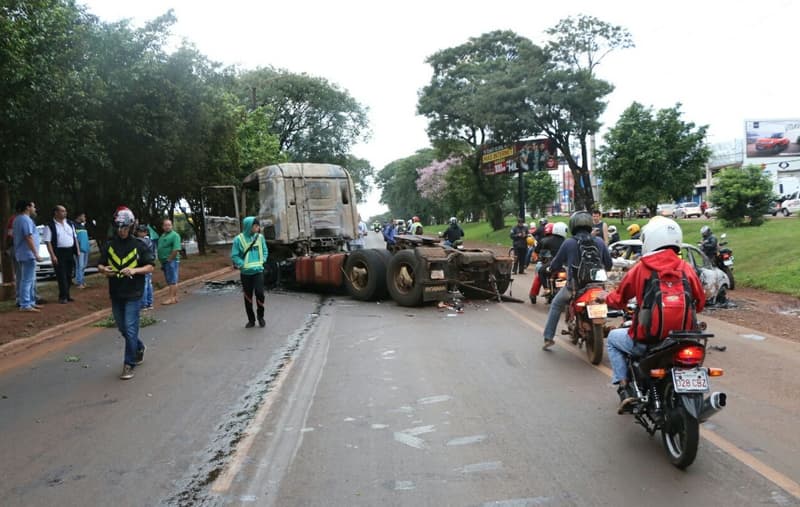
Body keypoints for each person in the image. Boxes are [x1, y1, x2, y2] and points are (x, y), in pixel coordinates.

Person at [598, 218, 706, 413]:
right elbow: (700, 303)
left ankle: (625, 389)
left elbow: (619, 298)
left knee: (613, 339)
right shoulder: (685, 268)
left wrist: (605, 298)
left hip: (649, 340)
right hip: (683, 339)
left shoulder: (642, 267)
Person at [541, 211, 612, 350]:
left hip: (574, 288)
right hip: (598, 288)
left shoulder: (569, 243)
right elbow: (608, 264)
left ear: (573, 225)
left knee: (556, 304)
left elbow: (555, 264)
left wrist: (551, 269)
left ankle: (548, 338)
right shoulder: (599, 242)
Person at [97, 208, 155, 380]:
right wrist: (103, 270)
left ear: (130, 226)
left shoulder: (139, 245)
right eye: (119, 227)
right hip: (116, 292)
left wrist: (135, 270)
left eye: (124, 227)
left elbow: (151, 266)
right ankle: (138, 347)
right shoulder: (109, 245)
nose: (121, 230)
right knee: (123, 328)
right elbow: (100, 264)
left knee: (130, 328)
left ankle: (128, 364)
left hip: (134, 293)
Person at [231, 216, 269, 328]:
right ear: (249, 227)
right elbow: (234, 255)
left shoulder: (260, 238)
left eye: (258, 226)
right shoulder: (239, 239)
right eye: (255, 226)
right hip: (246, 273)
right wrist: (241, 264)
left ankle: (261, 317)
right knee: (248, 297)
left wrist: (263, 261)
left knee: (260, 293)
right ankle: (251, 320)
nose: (258, 228)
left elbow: (265, 250)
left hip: (258, 271)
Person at [42, 204, 78, 304]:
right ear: (56, 213)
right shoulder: (50, 226)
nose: (64, 213)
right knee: (61, 274)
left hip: (69, 251)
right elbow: (48, 242)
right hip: (59, 252)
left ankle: (67, 294)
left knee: (69, 274)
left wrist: (77, 250)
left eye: (65, 211)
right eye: (62, 211)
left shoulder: (70, 223)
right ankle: (63, 296)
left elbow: (74, 237)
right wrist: (52, 255)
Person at [12, 200, 43, 312]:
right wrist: (36, 253)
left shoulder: (17, 219)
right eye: (33, 207)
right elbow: (28, 237)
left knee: (28, 279)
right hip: (27, 254)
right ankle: (25, 304)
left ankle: (30, 301)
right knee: (27, 280)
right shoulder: (25, 220)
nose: (34, 209)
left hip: (22, 253)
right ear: (27, 207)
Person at [529, 222, 566, 303]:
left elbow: (535, 253)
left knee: (539, 274)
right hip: (564, 264)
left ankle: (545, 289)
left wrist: (535, 258)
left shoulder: (543, 240)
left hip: (549, 264)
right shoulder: (566, 241)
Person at [158, 218, 181, 305]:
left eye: (169, 225)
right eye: (165, 225)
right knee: (171, 280)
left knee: (172, 280)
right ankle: (174, 297)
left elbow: (176, 249)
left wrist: (170, 259)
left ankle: (171, 298)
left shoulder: (175, 235)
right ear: (163, 227)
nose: (167, 227)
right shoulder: (163, 235)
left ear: (172, 226)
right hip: (165, 261)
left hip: (171, 261)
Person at [134, 224, 156, 311]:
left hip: (142, 264)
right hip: (150, 263)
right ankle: (150, 303)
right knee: (149, 283)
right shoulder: (150, 241)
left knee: (144, 284)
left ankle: (144, 304)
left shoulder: (139, 242)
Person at [74, 212, 91, 289]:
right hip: (79, 249)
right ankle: (79, 282)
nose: (85, 218)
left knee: (83, 266)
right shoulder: (74, 226)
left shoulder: (82, 226)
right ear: (79, 216)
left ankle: (82, 281)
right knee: (79, 266)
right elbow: (75, 239)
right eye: (83, 216)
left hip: (85, 248)